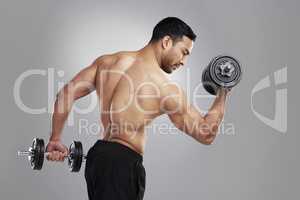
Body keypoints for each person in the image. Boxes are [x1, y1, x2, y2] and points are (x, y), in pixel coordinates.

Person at [45, 17, 229, 200]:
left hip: (97, 158)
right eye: (184, 52)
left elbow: (65, 95)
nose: (183, 61)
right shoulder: (165, 88)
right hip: (122, 165)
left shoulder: (106, 63)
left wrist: (55, 138)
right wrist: (224, 89)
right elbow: (206, 134)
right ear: (166, 42)